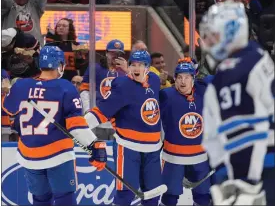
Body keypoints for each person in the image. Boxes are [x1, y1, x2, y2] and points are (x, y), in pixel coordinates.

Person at [2, 46, 107, 206]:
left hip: (28, 156)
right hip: (58, 155)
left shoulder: (21, 86)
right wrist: (94, 145)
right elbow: (76, 126)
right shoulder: (65, 87)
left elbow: (8, 109)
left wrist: (5, 93)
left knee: (41, 200)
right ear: (59, 65)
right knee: (65, 199)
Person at [199, 0, 274, 205]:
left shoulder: (236, 71)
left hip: (259, 172)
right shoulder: (257, 57)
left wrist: (245, 183)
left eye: (214, 36)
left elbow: (245, 131)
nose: (209, 43)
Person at [84, 50, 163, 206]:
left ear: (148, 68)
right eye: (133, 64)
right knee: (125, 193)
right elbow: (102, 111)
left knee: (153, 194)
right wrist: (80, 126)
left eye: (140, 65)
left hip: (153, 148)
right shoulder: (122, 86)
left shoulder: (154, 80)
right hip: (128, 148)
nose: (136, 68)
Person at [159, 58, 211, 206]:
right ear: (174, 79)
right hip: (173, 158)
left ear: (193, 79)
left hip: (200, 157)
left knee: (202, 196)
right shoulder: (166, 95)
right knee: (170, 196)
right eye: (179, 77)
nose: (183, 81)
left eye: (187, 77)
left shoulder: (202, 92)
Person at [79, 39, 128, 140]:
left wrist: (128, 71)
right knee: (99, 152)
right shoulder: (95, 68)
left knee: (116, 153)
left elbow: (133, 93)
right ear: (106, 53)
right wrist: (88, 111)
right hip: (98, 120)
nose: (115, 55)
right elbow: (84, 91)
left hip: (119, 122)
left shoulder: (126, 72)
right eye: (112, 52)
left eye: (119, 53)